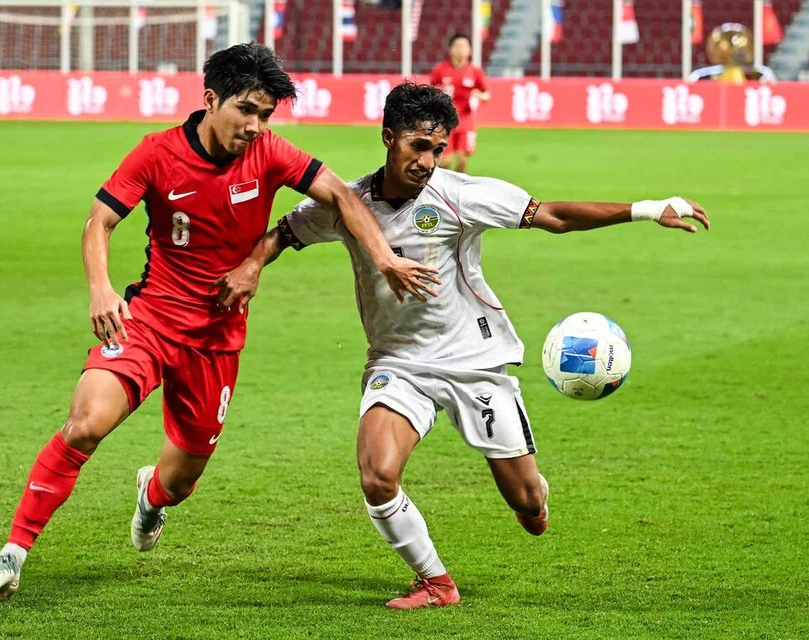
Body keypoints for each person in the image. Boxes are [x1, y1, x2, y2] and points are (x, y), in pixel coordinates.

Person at [0, 44, 438, 600]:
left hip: (217, 340)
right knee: (87, 423)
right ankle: (10, 555)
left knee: (182, 478)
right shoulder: (157, 153)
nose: (256, 126)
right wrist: (101, 289)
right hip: (148, 321)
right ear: (211, 99)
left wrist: (382, 257)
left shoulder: (271, 153)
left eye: (266, 114)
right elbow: (99, 222)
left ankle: (152, 497)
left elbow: (339, 194)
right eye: (246, 110)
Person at [215, 82, 710, 609]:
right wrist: (250, 266)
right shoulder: (349, 203)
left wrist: (646, 208)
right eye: (416, 147)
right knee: (378, 475)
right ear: (387, 138)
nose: (427, 160)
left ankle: (533, 495)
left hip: (474, 364)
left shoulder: (460, 194)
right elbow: (286, 232)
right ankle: (436, 582)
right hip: (399, 363)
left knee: (526, 503)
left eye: (436, 149)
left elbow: (553, 216)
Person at [430, 33, 489, 174]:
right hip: (445, 121)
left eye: (463, 46)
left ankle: (457, 191)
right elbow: (430, 91)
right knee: (445, 161)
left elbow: (486, 94)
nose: (460, 50)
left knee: (462, 160)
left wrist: (478, 95)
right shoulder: (441, 69)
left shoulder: (475, 71)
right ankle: (437, 187)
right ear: (450, 50)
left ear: (469, 50)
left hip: (466, 120)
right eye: (457, 46)